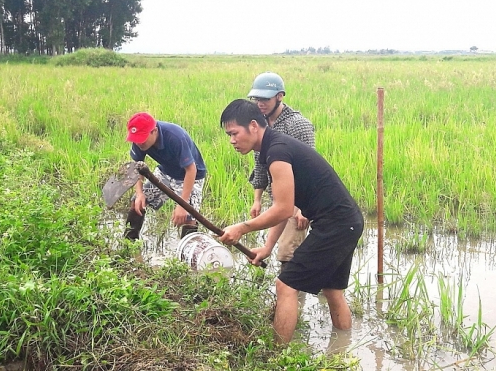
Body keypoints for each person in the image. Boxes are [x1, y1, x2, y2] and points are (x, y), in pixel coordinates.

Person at [217, 99, 364, 344]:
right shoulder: (274, 148)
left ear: (253, 126)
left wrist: (242, 228)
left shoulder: (277, 151)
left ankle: (278, 355)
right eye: (228, 135)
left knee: (285, 285)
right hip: (345, 222)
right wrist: (267, 247)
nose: (232, 140)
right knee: (332, 291)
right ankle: (342, 350)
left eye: (234, 133)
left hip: (336, 224)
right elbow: (284, 205)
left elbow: (283, 209)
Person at [246, 72, 315, 268]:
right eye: (257, 99)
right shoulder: (260, 124)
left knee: (288, 253)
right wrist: (257, 199)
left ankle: (290, 286)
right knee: (275, 247)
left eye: (265, 99)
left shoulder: (298, 125)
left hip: (298, 198)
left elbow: (309, 168)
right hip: (278, 197)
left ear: (280, 96)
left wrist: (303, 209)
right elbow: (259, 164)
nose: (260, 104)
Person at [123, 112, 207, 241]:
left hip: (190, 176)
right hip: (166, 172)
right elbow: (136, 168)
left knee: (188, 218)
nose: (139, 143)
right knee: (137, 203)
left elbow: (191, 169)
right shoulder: (139, 141)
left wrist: (183, 205)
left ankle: (186, 252)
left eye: (142, 139)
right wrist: (139, 194)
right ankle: (129, 244)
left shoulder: (175, 137)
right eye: (136, 139)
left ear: (154, 131)